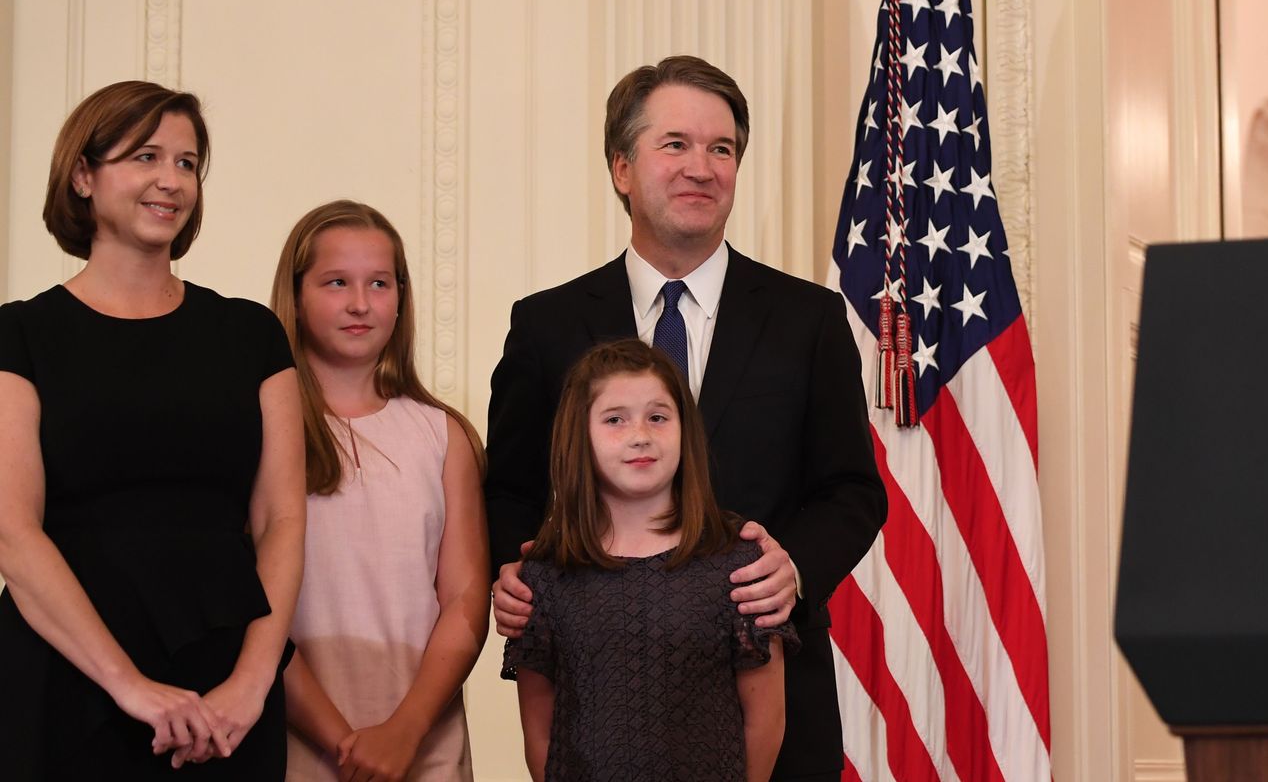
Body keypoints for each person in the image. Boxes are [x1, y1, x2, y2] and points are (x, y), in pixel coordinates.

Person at [486, 55, 885, 780]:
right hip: (598, 708)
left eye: (721, 148)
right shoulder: (545, 325)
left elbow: (853, 491)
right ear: (621, 167)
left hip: (774, 695)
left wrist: (791, 571)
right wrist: (512, 572)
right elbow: (509, 488)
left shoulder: (811, 320)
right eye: (675, 144)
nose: (702, 166)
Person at [0, 81, 305, 778]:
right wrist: (129, 686)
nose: (171, 180)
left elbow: (283, 519)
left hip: (227, 686)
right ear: (83, 175)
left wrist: (251, 687)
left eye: (187, 163)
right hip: (67, 678)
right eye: (145, 156)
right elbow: (13, 531)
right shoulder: (19, 335)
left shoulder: (250, 334)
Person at [506, 338, 794, 782]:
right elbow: (540, 732)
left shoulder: (739, 564)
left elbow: (765, 722)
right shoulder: (546, 575)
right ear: (578, 434)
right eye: (615, 420)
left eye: (658, 417)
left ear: (685, 431)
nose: (640, 435)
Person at [271, 200, 490, 781]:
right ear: (295, 295)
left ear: (401, 296)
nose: (361, 303)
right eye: (336, 282)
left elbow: (466, 601)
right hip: (296, 742)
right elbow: (252, 606)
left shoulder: (443, 435)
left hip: (423, 745)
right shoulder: (264, 433)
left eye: (379, 283)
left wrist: (403, 732)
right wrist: (344, 742)